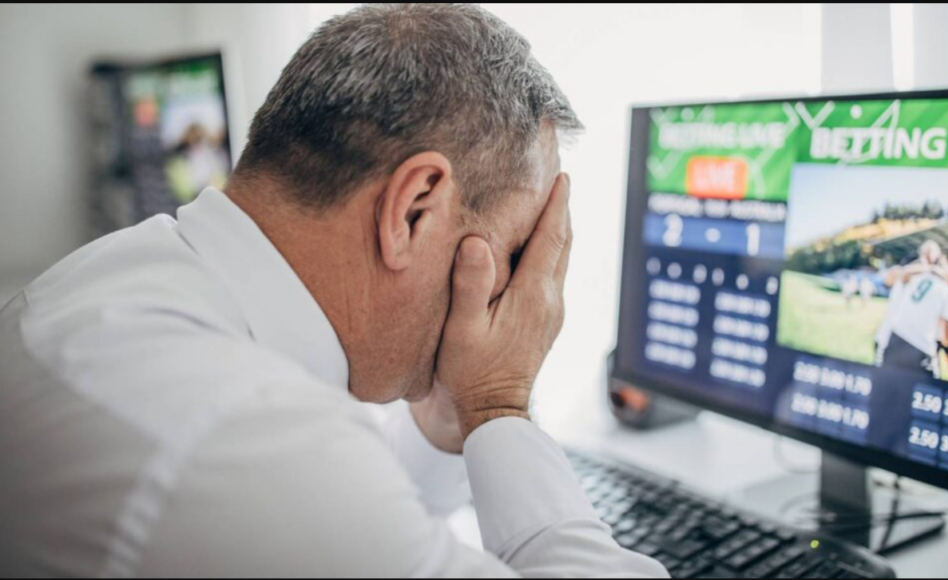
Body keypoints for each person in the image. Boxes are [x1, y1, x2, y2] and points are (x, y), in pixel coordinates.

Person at [0, 5, 667, 578]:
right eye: (518, 252)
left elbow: (364, 526)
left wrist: (447, 424)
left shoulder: (127, 276)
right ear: (414, 210)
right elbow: (316, 497)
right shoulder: (248, 439)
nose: (519, 293)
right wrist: (498, 406)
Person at [878, 242, 948, 379]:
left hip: (895, 339)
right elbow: (946, 340)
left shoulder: (913, 277)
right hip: (921, 347)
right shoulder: (947, 291)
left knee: (887, 390)